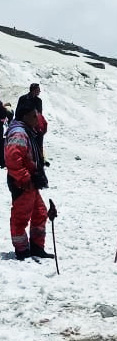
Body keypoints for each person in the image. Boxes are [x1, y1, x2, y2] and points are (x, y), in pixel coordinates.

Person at [4, 100, 52, 260]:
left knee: (40, 213)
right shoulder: (19, 133)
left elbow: (43, 128)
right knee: (21, 217)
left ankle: (37, 247)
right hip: (22, 182)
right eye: (34, 115)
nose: (37, 118)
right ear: (25, 116)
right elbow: (12, 158)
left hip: (30, 181)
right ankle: (22, 250)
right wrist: (24, 178)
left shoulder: (28, 129)